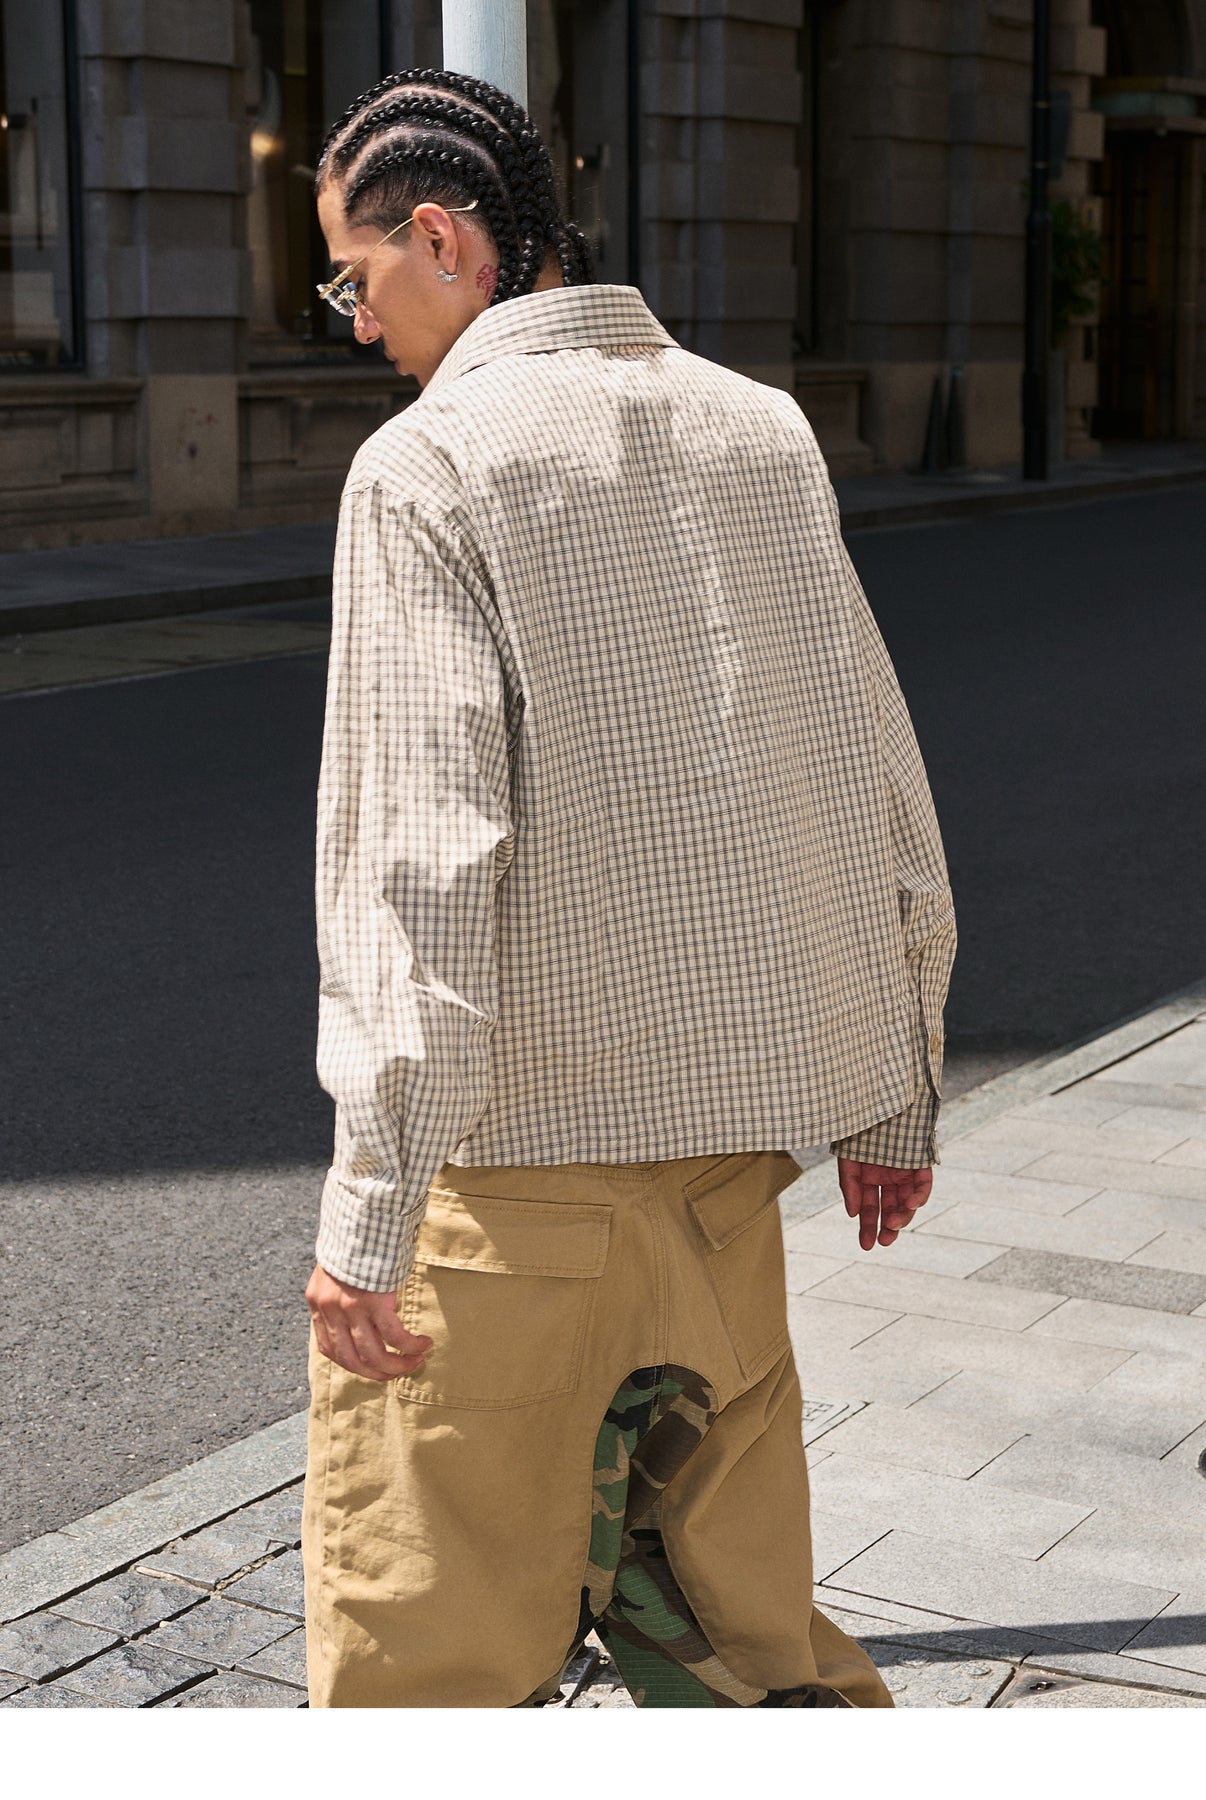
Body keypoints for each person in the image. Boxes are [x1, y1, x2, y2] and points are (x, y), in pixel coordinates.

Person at [302, 67, 956, 1710]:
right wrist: (896, 1097)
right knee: (741, 1650)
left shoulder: (426, 466)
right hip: (723, 1190)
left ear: (440, 239)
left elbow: (423, 862)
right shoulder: (760, 425)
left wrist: (370, 1210)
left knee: (423, 1675)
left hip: (509, 1201)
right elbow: (874, 773)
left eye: (352, 279)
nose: (357, 324)